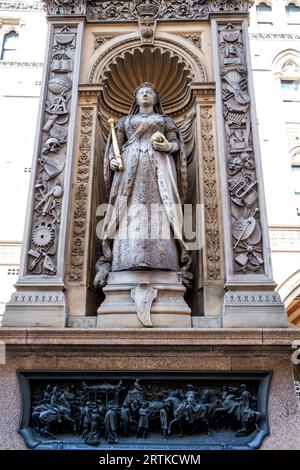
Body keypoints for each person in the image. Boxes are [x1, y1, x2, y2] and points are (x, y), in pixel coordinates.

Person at [94, 82, 192, 289]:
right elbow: (115, 148)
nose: (145, 94)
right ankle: (127, 258)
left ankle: (163, 259)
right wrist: (113, 160)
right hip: (129, 167)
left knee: (162, 208)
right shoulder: (124, 121)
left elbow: (176, 144)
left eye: (149, 92)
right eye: (142, 92)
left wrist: (167, 146)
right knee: (127, 208)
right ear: (136, 98)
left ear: (155, 98)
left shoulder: (165, 120)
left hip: (160, 166)